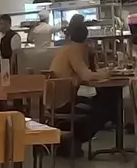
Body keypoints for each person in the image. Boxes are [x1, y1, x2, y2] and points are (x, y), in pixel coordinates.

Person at [48, 16, 116, 152]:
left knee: (101, 101)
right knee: (105, 107)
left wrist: (100, 72)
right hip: (63, 101)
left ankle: (71, 141)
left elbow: (85, 73)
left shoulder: (66, 49)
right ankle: (76, 138)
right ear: (85, 36)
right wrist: (106, 73)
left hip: (55, 98)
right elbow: (86, 75)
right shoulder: (75, 49)